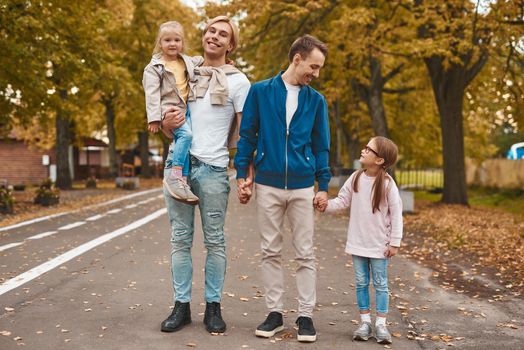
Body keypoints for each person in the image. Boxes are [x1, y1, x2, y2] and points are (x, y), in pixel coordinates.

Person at [234, 35, 331, 343]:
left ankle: (305, 316)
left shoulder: (316, 100)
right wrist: (241, 174)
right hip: (267, 183)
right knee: (270, 251)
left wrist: (324, 185)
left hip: (303, 186)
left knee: (304, 253)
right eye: (313, 67)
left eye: (319, 69)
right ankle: (274, 313)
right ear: (297, 59)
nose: (315, 74)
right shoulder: (260, 92)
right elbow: (247, 135)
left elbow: (321, 146)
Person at [158, 16, 251, 334]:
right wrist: (167, 124)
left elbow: (245, 132)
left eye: (223, 34)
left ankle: (213, 307)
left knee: (215, 241)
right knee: (180, 240)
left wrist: (244, 172)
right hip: (178, 167)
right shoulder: (183, 71)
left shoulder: (239, 82)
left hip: (213, 170)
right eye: (212, 30)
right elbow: (169, 122)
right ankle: (181, 307)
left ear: (231, 44)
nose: (215, 36)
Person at [317, 136, 403, 345]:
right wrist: (325, 205)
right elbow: (342, 201)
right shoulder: (356, 177)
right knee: (361, 283)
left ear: (380, 160)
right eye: (365, 147)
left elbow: (396, 213)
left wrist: (394, 242)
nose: (363, 150)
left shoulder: (387, 183)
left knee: (381, 284)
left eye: (369, 149)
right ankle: (365, 322)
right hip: (358, 244)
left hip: (379, 246)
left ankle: (381, 324)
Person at [143, 21, 203, 204]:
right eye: (167, 40)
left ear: (182, 43)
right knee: (186, 136)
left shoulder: (186, 61)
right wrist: (154, 118)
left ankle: (182, 181)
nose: (172, 44)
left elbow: (202, 63)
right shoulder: (154, 68)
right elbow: (151, 94)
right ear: (160, 43)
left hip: (186, 109)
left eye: (177, 40)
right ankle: (175, 176)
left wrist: (225, 62)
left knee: (186, 141)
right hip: (169, 109)